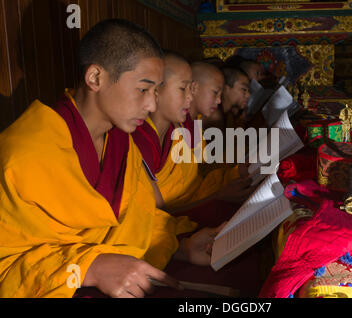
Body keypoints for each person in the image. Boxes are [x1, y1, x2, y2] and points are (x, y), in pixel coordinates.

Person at [0, 19, 224, 298]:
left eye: (156, 91)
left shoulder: (123, 144)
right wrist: (86, 268)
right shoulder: (23, 153)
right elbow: (6, 268)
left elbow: (139, 221)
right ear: (95, 78)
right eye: (143, 89)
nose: (151, 104)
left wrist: (182, 246)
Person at [132, 53, 254, 212]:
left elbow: (198, 173)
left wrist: (237, 171)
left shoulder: (183, 126)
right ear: (155, 89)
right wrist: (217, 197)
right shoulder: (140, 139)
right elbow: (158, 214)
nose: (190, 96)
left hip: (192, 202)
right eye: (183, 88)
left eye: (191, 88)